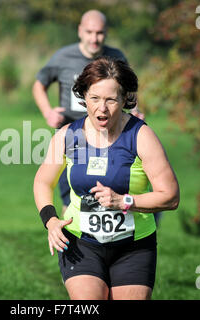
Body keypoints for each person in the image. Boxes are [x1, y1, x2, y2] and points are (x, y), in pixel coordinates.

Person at [33, 57, 179, 300]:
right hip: (81, 242)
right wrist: (50, 220)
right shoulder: (67, 136)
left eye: (111, 99)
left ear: (124, 99)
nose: (102, 108)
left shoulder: (141, 136)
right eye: (95, 99)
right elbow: (42, 182)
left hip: (134, 246)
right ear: (84, 98)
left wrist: (124, 201)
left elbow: (171, 197)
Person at [32, 10, 144, 215]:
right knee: (74, 198)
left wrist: (135, 111)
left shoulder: (116, 57)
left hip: (111, 134)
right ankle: (72, 239)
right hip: (75, 136)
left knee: (111, 189)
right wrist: (48, 112)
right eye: (89, 32)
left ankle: (115, 238)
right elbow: (39, 84)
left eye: (99, 33)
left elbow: (127, 90)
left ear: (106, 33)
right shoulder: (63, 57)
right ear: (80, 31)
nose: (94, 38)